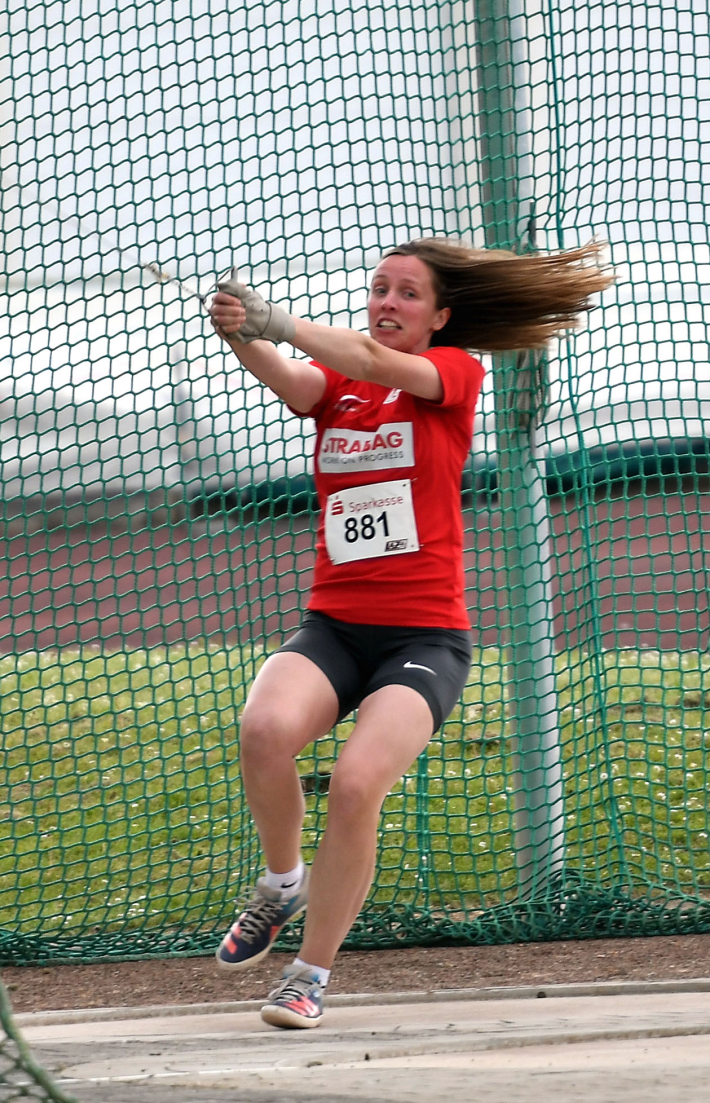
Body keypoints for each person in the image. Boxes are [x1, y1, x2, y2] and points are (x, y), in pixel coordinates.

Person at [207, 238, 614, 1029]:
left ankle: (309, 973)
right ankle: (281, 883)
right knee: (263, 728)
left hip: (423, 641)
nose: (388, 303)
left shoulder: (452, 373)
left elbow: (359, 351)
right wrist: (238, 328)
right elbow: (293, 376)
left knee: (357, 784)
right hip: (334, 627)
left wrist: (273, 317)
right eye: (378, 289)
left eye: (407, 294)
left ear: (441, 316)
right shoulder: (341, 386)